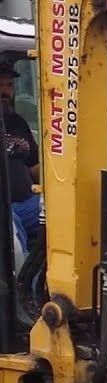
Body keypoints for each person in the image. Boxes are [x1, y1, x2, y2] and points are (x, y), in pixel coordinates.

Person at [0, 61, 40, 256]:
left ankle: (47, 283)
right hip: (4, 207)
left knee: (62, 220)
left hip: (29, 203)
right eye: (0, 86)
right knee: (11, 227)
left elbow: (34, 167)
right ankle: (21, 284)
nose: (5, 92)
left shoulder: (19, 123)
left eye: (9, 86)